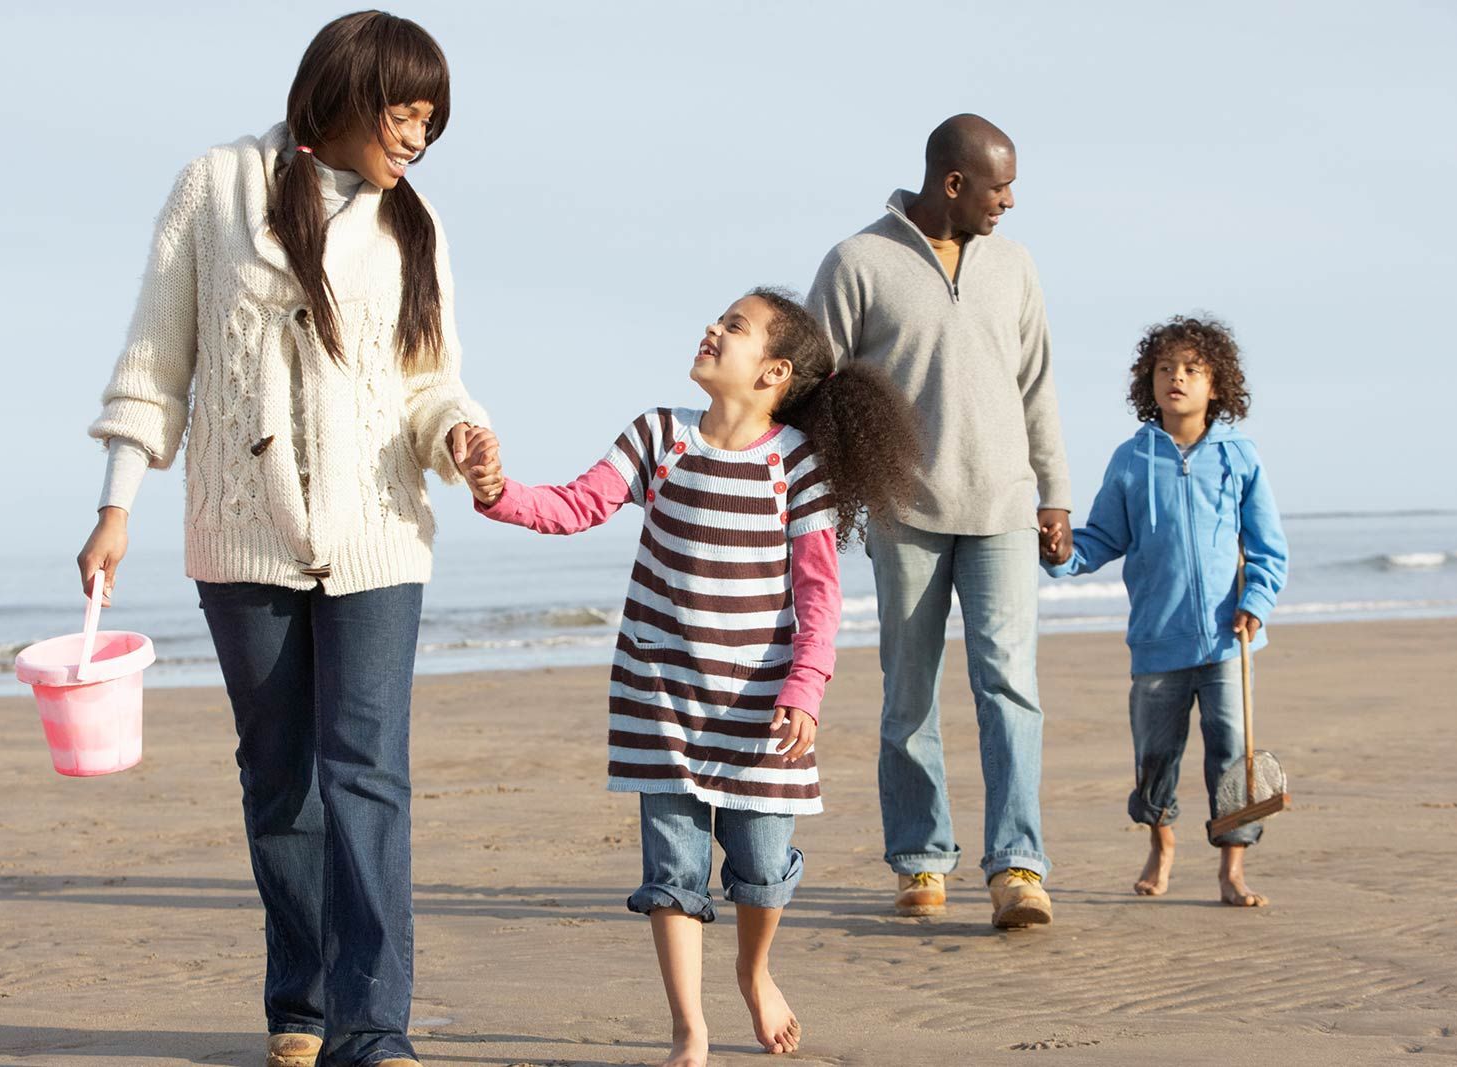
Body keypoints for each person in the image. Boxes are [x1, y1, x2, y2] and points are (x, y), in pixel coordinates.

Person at [75, 13, 494, 1067]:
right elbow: (154, 355)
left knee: (369, 774)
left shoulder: (417, 225)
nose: (418, 137)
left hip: (379, 535)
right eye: (407, 111)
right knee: (279, 778)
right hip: (243, 533)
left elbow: (427, 381)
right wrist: (116, 503)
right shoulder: (216, 186)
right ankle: (300, 1004)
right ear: (350, 90)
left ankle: (374, 1026)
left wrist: (461, 435)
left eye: (432, 121)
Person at [460, 288, 919, 1066]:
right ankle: (689, 1030)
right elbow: (577, 504)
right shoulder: (658, 437)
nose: (713, 328)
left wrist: (805, 684)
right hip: (660, 698)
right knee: (673, 875)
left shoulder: (795, 465)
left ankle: (753, 968)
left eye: (734, 326)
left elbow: (819, 591)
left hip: (763, 707)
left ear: (773, 371)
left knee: (763, 870)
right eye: (719, 318)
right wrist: (495, 490)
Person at [806, 114, 1070, 926]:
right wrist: (822, 492)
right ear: (953, 183)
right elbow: (816, 387)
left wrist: (1053, 493)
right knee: (909, 692)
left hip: (1002, 510)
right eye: (1000, 186)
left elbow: (1037, 386)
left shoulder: (1016, 267)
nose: (1012, 201)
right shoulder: (858, 262)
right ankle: (921, 860)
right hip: (903, 513)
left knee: (1009, 686)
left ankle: (1017, 867)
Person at [1043, 315, 1287, 907]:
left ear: (1215, 385)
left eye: (1191, 370)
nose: (1176, 378)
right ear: (1147, 382)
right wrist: (1062, 551)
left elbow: (1268, 547)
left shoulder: (1240, 458)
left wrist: (1255, 601)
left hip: (1227, 645)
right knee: (1155, 757)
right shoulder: (1132, 460)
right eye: (1164, 369)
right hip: (1156, 641)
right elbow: (1102, 538)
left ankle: (1232, 868)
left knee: (1232, 757)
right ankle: (1162, 840)